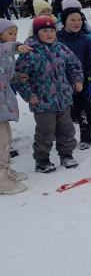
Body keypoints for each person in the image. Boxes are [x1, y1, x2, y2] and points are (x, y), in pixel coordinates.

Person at [14, 16, 84, 173]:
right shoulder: (29, 52)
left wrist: (77, 80)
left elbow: (74, 64)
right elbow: (19, 77)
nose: (49, 34)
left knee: (66, 129)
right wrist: (29, 95)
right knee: (45, 131)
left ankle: (66, 154)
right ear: (36, 33)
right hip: (42, 101)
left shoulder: (61, 48)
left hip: (63, 99)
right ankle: (42, 159)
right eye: (44, 31)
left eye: (52, 30)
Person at [57, 7, 91, 150]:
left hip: (80, 83)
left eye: (79, 19)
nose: (76, 23)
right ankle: (64, 141)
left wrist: (89, 81)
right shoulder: (56, 39)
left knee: (83, 112)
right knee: (64, 115)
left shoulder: (85, 40)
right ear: (64, 21)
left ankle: (86, 138)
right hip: (61, 84)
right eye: (72, 20)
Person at [0, 19, 32, 194]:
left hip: (3, 103)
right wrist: (18, 47)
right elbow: (5, 49)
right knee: (1, 140)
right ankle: (0, 179)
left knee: (6, 138)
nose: (13, 37)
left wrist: (18, 77)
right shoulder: (4, 49)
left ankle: (5, 171)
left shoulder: (7, 55)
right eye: (9, 33)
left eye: (15, 34)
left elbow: (7, 76)